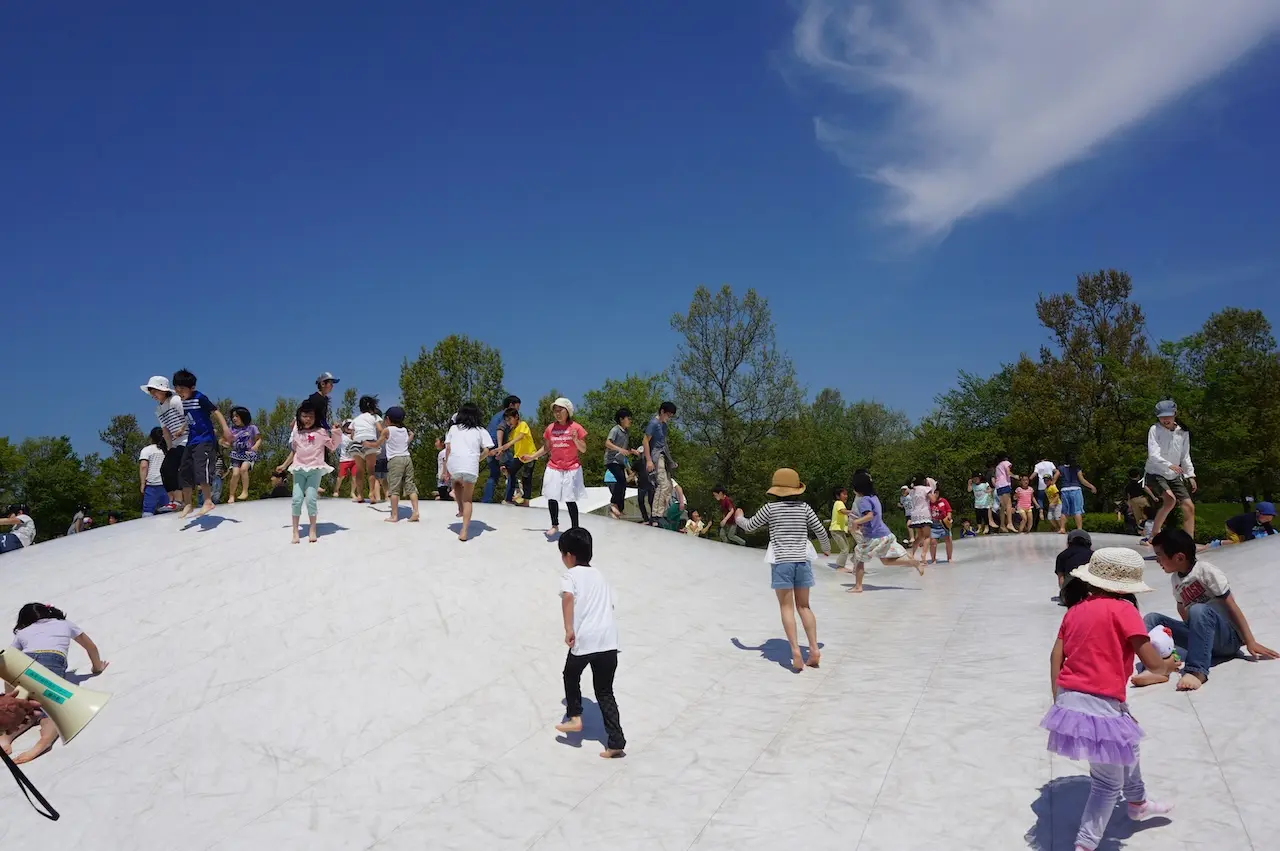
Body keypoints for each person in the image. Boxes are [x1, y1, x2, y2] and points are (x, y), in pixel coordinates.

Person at [1041, 548, 1176, 851]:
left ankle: (1138, 802)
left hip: (1071, 699)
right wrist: (1170, 665)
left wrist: (1058, 700)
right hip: (1099, 704)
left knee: (1130, 743)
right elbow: (1154, 665)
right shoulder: (1124, 610)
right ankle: (1085, 845)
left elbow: (1055, 655)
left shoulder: (1074, 610)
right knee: (1105, 785)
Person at [1134, 528, 1278, 691]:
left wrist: (1250, 640)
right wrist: (1191, 635)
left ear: (1179, 557)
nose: (1157, 560)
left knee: (1198, 609)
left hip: (1227, 640)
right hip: (1203, 636)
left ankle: (1197, 672)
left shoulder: (1205, 571)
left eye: (1159, 555)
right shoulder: (1176, 579)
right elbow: (1181, 608)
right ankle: (1155, 667)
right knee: (1153, 618)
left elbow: (1231, 605)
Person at [733, 469, 829, 672]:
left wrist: (739, 517)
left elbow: (750, 526)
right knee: (804, 607)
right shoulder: (805, 508)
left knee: (787, 608)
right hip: (802, 562)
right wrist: (826, 548)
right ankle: (813, 650)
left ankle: (795, 651)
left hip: (782, 562)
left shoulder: (771, 509)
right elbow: (820, 529)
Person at [1, 603, 108, 764]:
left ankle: (5, 738)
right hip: (51, 658)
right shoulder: (64, 623)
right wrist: (97, 667)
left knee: (19, 702)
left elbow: (8, 658)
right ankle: (43, 743)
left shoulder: (23, 632)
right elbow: (90, 646)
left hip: (23, 661)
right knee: (52, 705)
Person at [552, 527, 626, 759]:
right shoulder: (600, 575)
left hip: (586, 639)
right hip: (609, 641)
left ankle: (575, 717)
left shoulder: (570, 576)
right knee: (605, 691)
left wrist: (568, 629)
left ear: (570, 555)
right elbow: (611, 604)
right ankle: (616, 742)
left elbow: (568, 598)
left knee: (570, 674)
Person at [275, 399, 342, 544]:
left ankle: (312, 529)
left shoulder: (321, 432)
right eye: (304, 416)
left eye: (310, 416)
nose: (307, 419)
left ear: (315, 417)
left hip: (314, 469)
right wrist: (285, 465)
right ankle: (295, 531)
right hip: (299, 468)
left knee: (311, 499)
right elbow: (294, 452)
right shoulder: (297, 433)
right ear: (299, 417)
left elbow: (332, 446)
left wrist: (336, 431)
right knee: (296, 499)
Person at [172, 368, 234, 518]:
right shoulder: (183, 401)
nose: (180, 392)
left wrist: (225, 429)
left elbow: (216, 412)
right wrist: (181, 429)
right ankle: (188, 503)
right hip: (192, 440)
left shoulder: (200, 398)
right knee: (184, 470)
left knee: (201, 467)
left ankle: (208, 501)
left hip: (205, 440)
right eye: (177, 389)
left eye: (182, 389)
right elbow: (190, 418)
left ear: (192, 388)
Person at [845, 471, 922, 592]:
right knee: (886, 561)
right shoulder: (874, 498)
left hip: (874, 536)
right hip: (884, 533)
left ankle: (858, 586)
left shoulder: (864, 500)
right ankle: (913, 562)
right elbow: (874, 517)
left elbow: (869, 516)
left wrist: (856, 523)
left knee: (859, 556)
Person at [521, 398, 588, 537]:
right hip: (554, 467)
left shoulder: (576, 427)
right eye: (555, 411)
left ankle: (575, 528)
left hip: (571, 468)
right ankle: (554, 525)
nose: (557, 413)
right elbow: (546, 448)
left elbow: (583, 449)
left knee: (570, 499)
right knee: (552, 496)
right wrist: (532, 456)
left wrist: (575, 440)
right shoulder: (551, 428)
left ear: (567, 411)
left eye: (560, 410)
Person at [444, 402, 495, 541]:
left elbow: (448, 448)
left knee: (457, 483)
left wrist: (447, 468)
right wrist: (478, 459)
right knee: (468, 500)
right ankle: (464, 531)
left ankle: (459, 508)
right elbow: (487, 450)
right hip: (470, 466)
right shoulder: (480, 430)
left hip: (454, 465)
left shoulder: (453, 429)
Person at [1145, 400, 1196, 538]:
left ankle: (1189, 541)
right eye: (1162, 417)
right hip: (1156, 472)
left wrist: (1190, 475)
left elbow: (1185, 455)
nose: (1165, 419)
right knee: (1170, 500)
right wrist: (1169, 464)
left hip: (1174, 474)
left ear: (1175, 414)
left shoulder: (1183, 432)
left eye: (1168, 416)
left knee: (1189, 506)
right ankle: (1155, 534)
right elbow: (1153, 455)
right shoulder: (1155, 430)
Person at [141, 375, 187, 511]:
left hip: (187, 439)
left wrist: (182, 429)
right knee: (165, 469)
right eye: (151, 392)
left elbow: (189, 415)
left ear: (163, 390)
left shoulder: (175, 401)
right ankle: (171, 500)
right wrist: (169, 448)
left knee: (174, 469)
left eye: (154, 391)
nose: (153, 395)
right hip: (175, 443)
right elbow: (165, 431)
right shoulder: (159, 410)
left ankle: (179, 500)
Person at [493, 407, 536, 506]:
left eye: (510, 419)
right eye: (507, 420)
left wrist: (508, 445)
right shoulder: (513, 430)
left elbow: (520, 436)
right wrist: (500, 450)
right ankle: (509, 499)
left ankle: (526, 501)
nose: (509, 422)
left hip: (530, 455)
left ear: (516, 417)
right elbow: (509, 441)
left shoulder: (523, 424)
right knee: (511, 473)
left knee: (527, 477)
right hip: (519, 456)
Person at [482, 395, 521, 504]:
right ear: (511, 405)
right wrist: (500, 447)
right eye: (517, 407)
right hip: (499, 447)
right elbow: (500, 429)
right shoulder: (507, 415)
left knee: (494, 474)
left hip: (488, 447)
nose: (518, 411)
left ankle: (486, 500)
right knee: (513, 470)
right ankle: (509, 499)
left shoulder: (496, 416)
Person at [603, 408, 639, 519]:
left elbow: (625, 448)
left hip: (619, 461)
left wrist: (633, 451)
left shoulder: (626, 432)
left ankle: (619, 508)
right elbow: (607, 443)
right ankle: (613, 503)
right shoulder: (615, 430)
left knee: (623, 484)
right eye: (628, 419)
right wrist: (619, 449)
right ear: (621, 419)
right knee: (620, 479)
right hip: (611, 460)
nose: (630, 421)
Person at [643, 402, 677, 517]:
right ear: (662, 411)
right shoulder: (653, 423)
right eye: (668, 415)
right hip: (655, 456)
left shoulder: (664, 425)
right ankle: (656, 514)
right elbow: (645, 441)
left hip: (663, 455)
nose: (669, 418)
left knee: (668, 485)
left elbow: (664, 443)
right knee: (663, 484)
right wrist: (648, 460)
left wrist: (670, 460)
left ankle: (659, 513)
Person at [348, 395, 382, 503]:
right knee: (371, 470)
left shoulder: (356, 419)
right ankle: (372, 494)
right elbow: (380, 429)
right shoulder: (375, 417)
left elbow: (352, 435)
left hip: (356, 443)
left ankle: (360, 495)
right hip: (370, 442)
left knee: (359, 470)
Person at [225, 406, 261, 503]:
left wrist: (256, 446)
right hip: (236, 454)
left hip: (248, 453)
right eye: (233, 417)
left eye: (237, 416)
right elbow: (224, 440)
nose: (234, 418)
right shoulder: (231, 429)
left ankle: (245, 491)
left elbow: (259, 439)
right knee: (235, 473)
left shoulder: (252, 428)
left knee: (244, 469)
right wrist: (225, 443)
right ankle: (231, 495)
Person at [1056, 454, 1098, 532]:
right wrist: (1091, 486)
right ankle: (1079, 529)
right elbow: (1082, 480)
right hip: (1075, 489)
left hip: (1064, 490)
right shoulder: (1077, 468)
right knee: (1077, 510)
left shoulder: (1061, 468)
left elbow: (1055, 477)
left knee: (1064, 511)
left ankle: (1062, 528)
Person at [1054, 529, 1093, 605]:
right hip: (1089, 588)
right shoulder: (1094, 554)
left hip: (1070, 591)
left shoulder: (1062, 555)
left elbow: (1061, 579)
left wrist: (1063, 592)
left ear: (1069, 543)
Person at [139, 427, 170, 515]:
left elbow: (143, 466)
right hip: (166, 484)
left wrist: (142, 483)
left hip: (151, 485)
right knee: (167, 511)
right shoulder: (167, 449)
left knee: (148, 511)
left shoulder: (146, 450)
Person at [906, 474, 934, 560]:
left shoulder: (912, 491)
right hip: (924, 514)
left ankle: (911, 554)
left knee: (920, 536)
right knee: (927, 536)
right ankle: (923, 555)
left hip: (915, 515)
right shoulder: (926, 489)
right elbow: (933, 499)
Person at [927, 487, 953, 564]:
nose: (934, 494)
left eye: (936, 492)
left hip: (943, 523)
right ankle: (933, 559)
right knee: (933, 542)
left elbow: (949, 510)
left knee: (948, 540)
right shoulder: (929, 502)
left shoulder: (943, 501)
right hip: (934, 524)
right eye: (933, 493)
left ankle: (949, 558)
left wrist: (949, 516)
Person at [331, 421, 356, 500]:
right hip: (344, 459)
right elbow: (333, 431)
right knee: (341, 476)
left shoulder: (356, 436)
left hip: (354, 459)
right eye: (347, 426)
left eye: (350, 426)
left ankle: (352, 492)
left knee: (354, 476)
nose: (349, 428)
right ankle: (336, 490)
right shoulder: (341, 436)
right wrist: (336, 425)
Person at [1032, 457, 1059, 529]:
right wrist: (1054, 480)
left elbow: (1034, 474)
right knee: (1053, 497)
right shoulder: (1050, 463)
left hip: (1042, 484)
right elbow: (1057, 472)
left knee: (1040, 499)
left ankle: (1041, 510)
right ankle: (1055, 509)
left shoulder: (1037, 465)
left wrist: (1029, 479)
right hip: (1050, 484)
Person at [829, 486, 852, 567]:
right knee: (845, 549)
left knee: (846, 548)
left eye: (846, 494)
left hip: (839, 530)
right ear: (838, 496)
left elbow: (844, 519)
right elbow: (842, 511)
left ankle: (840, 564)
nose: (846, 496)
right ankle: (840, 566)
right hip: (836, 530)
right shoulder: (839, 503)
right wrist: (853, 512)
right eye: (844, 494)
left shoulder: (839, 504)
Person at [994, 453, 1016, 532]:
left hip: (998, 486)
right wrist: (1015, 476)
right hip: (1005, 485)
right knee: (1009, 504)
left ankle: (1002, 525)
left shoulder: (997, 466)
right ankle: (1010, 523)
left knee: (1003, 507)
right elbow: (1008, 472)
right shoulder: (1006, 463)